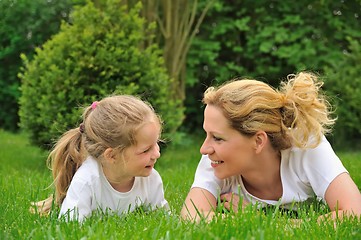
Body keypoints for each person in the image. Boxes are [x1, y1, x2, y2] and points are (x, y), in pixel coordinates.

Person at [181, 72, 361, 222]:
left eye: (217, 138)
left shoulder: (307, 144)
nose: (204, 149)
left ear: (259, 141)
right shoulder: (216, 160)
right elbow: (191, 216)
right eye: (208, 135)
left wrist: (258, 219)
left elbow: (354, 213)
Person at [32, 95, 169, 221]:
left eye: (156, 143)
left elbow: (163, 219)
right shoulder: (86, 182)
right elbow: (70, 227)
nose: (157, 154)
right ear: (112, 155)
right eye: (146, 150)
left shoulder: (151, 179)